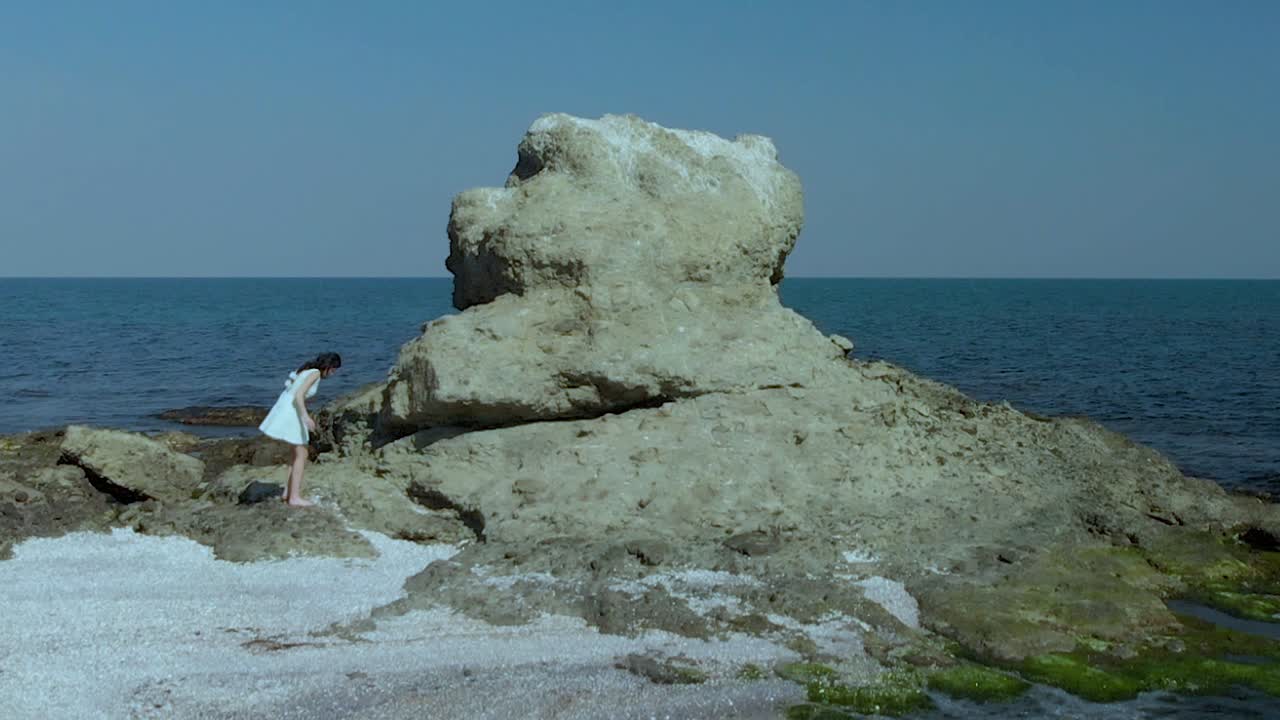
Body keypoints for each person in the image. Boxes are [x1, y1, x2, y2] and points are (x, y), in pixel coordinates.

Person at [258, 352, 342, 506]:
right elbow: (298, 395)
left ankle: (288, 493)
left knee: (296, 453)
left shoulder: (306, 370)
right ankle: (294, 497)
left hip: (286, 407)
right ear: (328, 366)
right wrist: (305, 416)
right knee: (302, 454)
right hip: (292, 410)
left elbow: (292, 391)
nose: (333, 373)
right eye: (334, 369)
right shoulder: (315, 373)